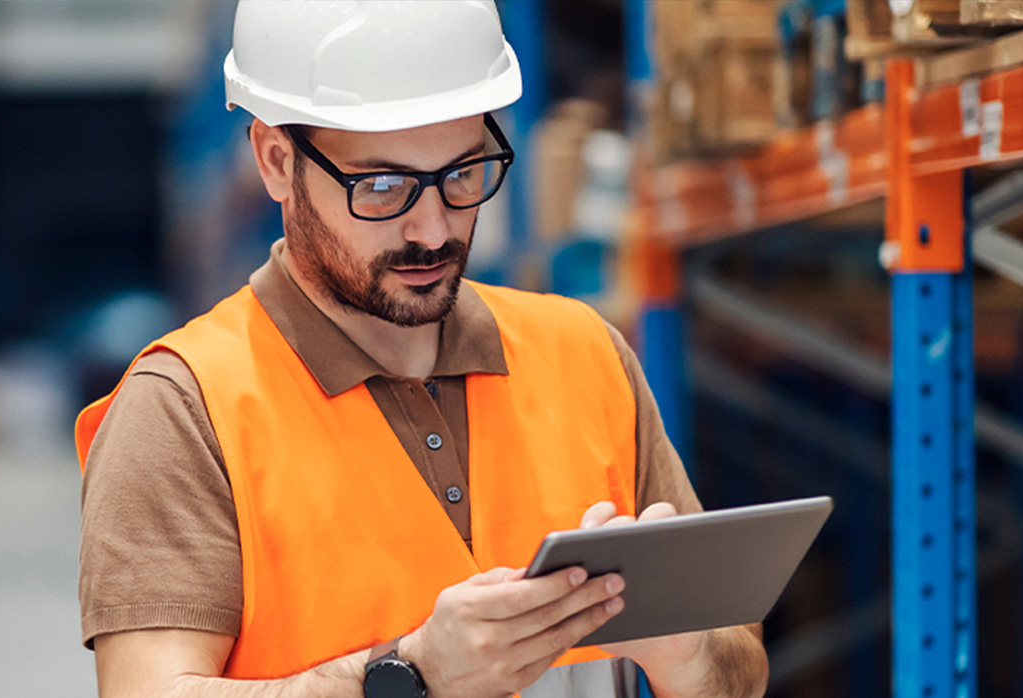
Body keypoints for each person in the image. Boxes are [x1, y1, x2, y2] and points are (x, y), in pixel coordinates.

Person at [75, 2, 769, 697]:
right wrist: (410, 677)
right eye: (381, 187)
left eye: (463, 175)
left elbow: (739, 662)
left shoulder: (586, 356)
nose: (433, 229)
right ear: (277, 160)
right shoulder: (185, 408)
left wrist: (688, 656)